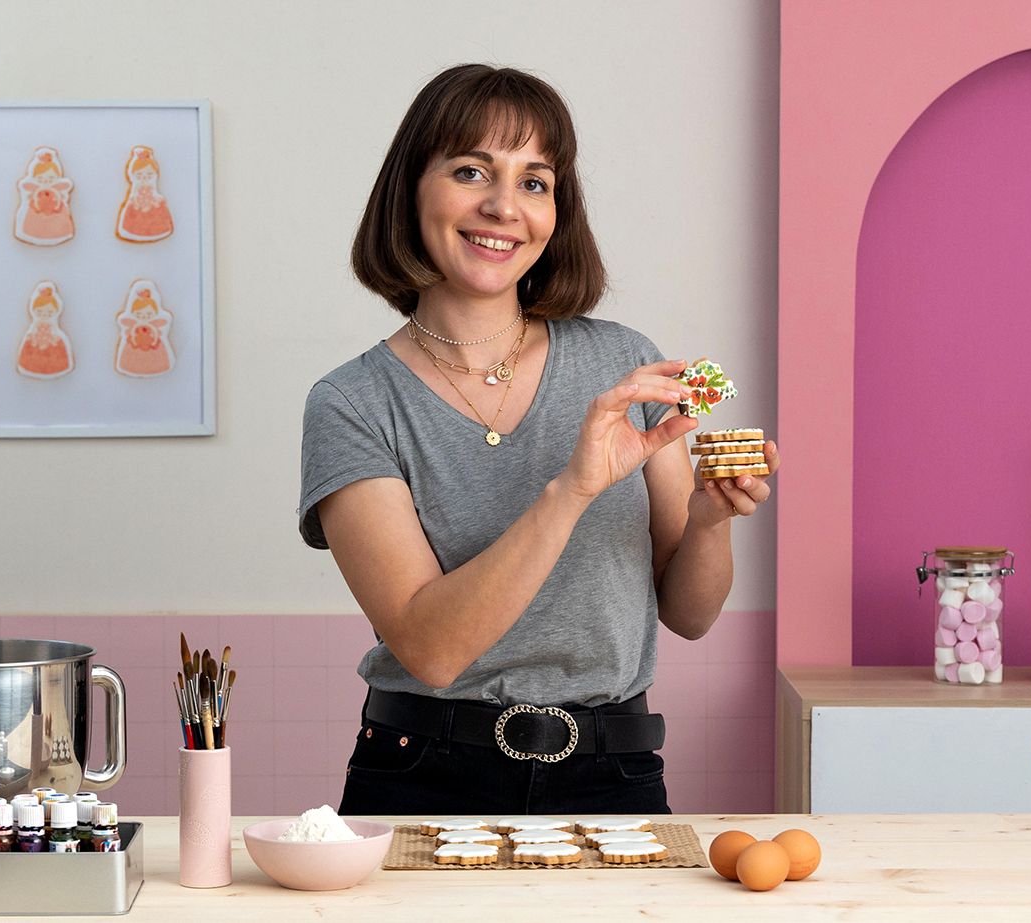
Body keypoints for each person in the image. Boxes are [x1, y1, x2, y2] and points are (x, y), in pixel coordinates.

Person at [298, 64, 778, 816]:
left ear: (558, 210)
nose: (502, 206)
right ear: (411, 189)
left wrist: (712, 523)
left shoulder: (623, 363)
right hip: (422, 772)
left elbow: (688, 615)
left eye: (534, 182)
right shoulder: (351, 403)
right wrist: (574, 486)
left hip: (614, 768)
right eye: (470, 170)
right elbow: (430, 648)